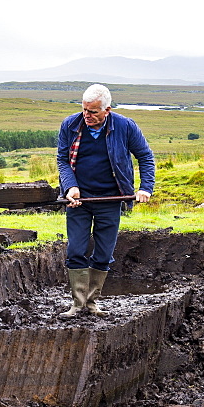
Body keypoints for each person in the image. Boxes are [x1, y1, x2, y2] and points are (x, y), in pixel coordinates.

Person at [55, 84, 155, 317]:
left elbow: (145, 157)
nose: (87, 116)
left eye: (93, 112)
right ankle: (77, 305)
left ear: (107, 109)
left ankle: (92, 303)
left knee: (103, 254)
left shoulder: (125, 126)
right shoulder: (70, 125)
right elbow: (62, 160)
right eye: (84, 110)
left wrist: (145, 188)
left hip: (112, 198)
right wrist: (71, 187)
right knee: (76, 250)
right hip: (78, 200)